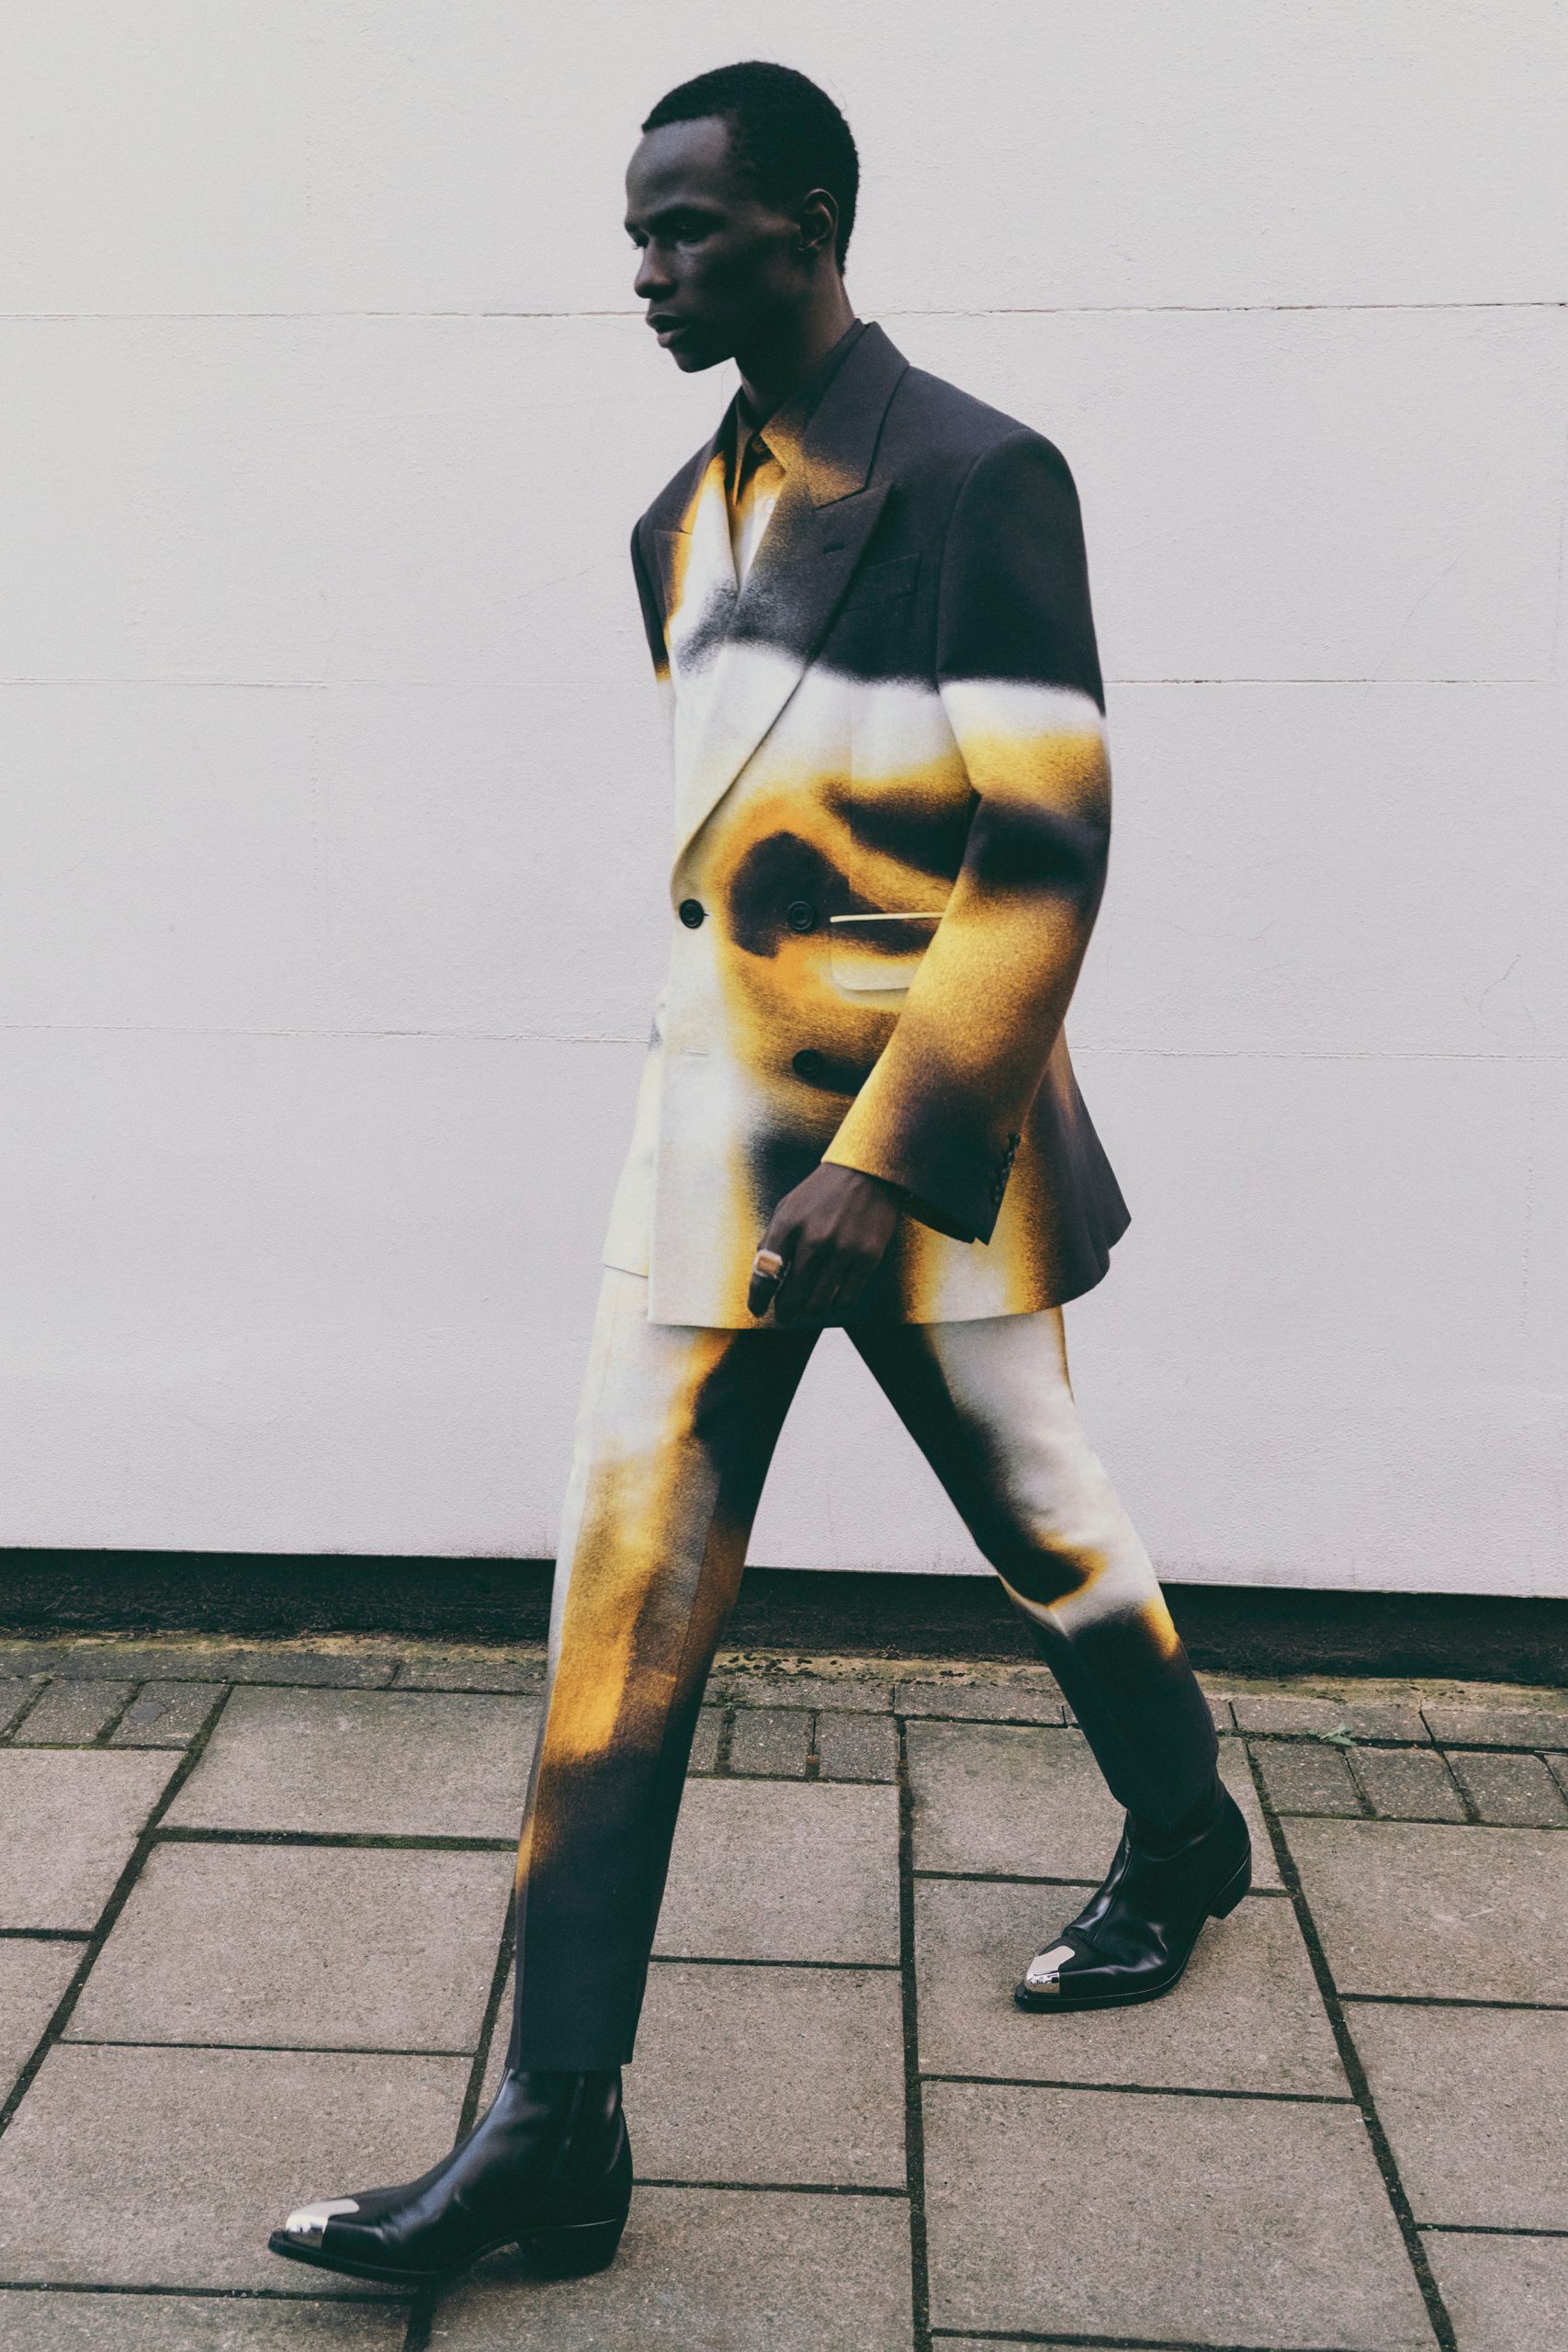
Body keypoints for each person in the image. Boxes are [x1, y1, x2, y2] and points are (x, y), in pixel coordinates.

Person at [270, 58, 1249, 2294]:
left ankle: (1184, 1831)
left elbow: (1044, 847)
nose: (645, 269)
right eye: (634, 233)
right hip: (713, 1157)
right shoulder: (672, 520)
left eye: (685, 228)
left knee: (1042, 1516)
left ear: (807, 220)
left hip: (919, 1147)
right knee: (618, 1598)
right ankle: (554, 2126)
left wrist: (889, 1154)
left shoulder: (977, 475)